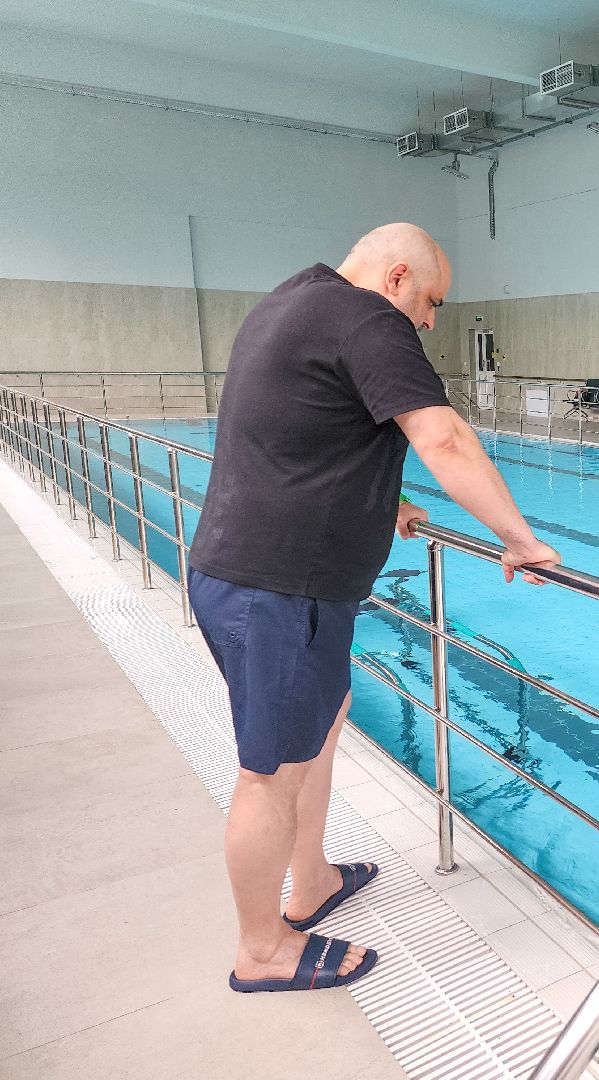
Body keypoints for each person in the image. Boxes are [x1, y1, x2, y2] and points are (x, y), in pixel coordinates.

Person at [187, 222, 561, 993]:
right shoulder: (369, 318)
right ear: (397, 279)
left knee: (320, 728)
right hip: (278, 592)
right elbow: (443, 439)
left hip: (262, 579)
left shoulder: (289, 302)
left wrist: (383, 503)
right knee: (269, 773)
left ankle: (313, 880)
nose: (429, 320)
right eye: (431, 301)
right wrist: (518, 539)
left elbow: (297, 434)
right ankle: (262, 949)